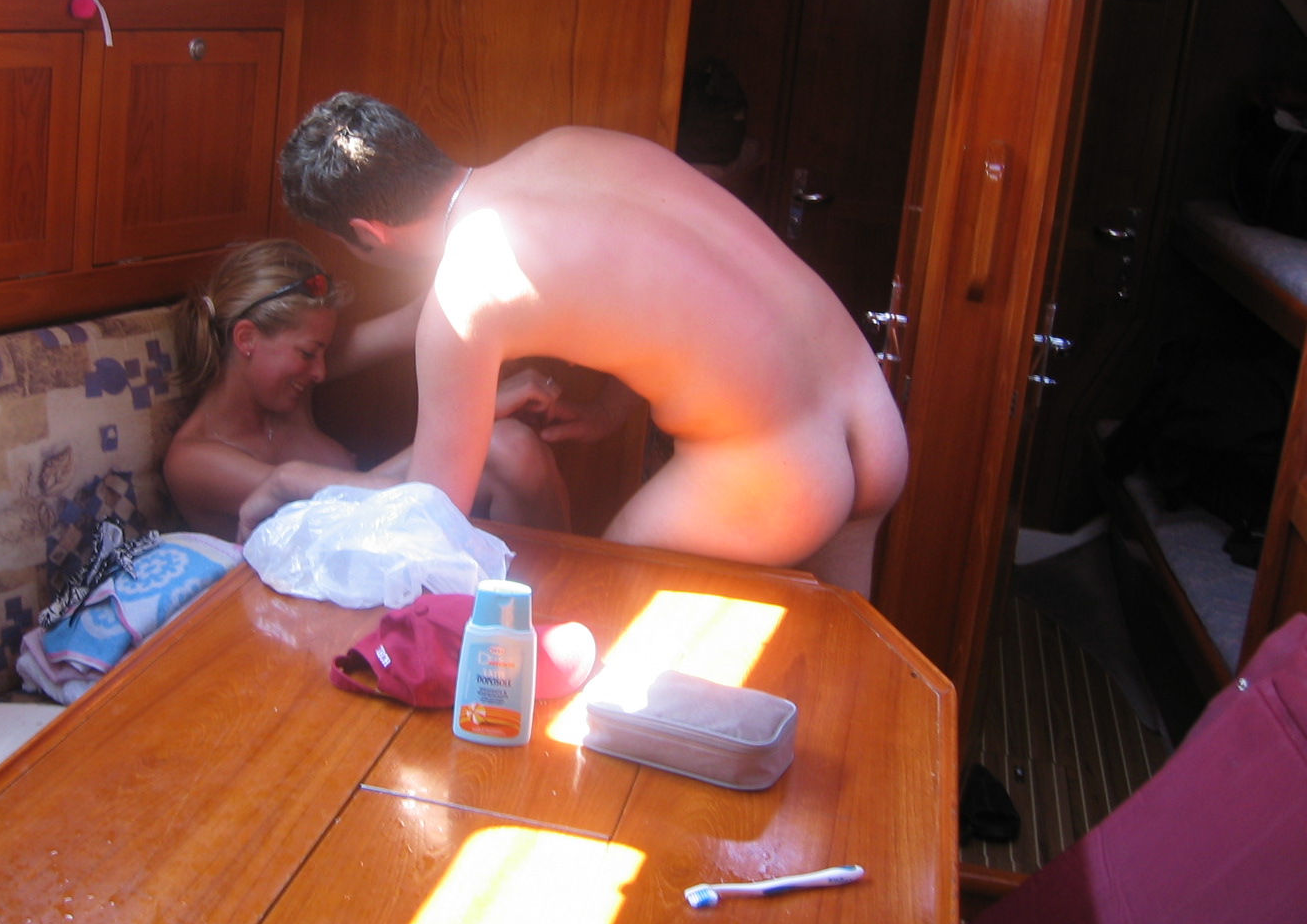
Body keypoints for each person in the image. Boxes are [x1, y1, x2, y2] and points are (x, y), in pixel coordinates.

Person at [248, 92, 909, 596]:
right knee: (844, 680)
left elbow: (430, 513)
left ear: (369, 233)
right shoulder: (569, 148)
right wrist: (608, 411)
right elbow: (672, 285)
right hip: (869, 407)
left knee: (606, 593)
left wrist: (293, 480)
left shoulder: (465, 294)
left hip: (780, 471)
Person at [163, 238, 570, 540]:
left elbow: (417, 318)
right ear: (247, 338)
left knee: (514, 448)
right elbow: (333, 513)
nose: (321, 371)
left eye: (324, 352)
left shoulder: (287, 387)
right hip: (319, 578)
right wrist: (477, 414)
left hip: (382, 538)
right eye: (309, 353)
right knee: (505, 445)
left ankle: (559, 602)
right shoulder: (193, 461)